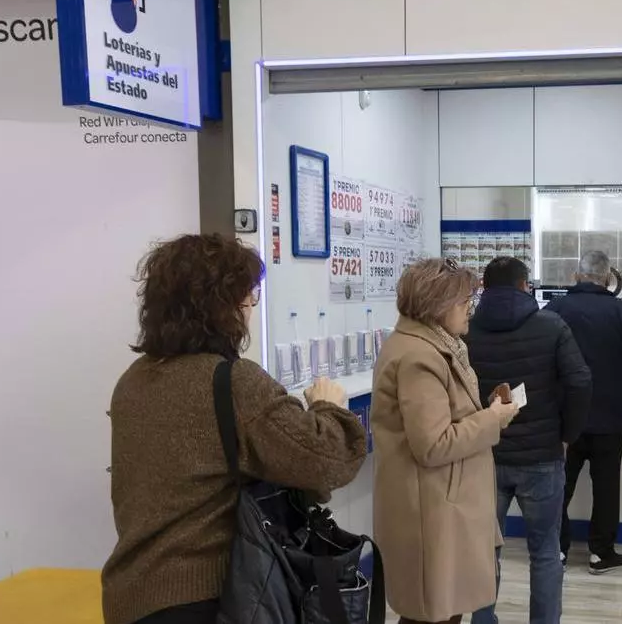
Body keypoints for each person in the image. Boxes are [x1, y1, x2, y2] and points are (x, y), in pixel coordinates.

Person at [103, 234, 368, 624]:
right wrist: (328, 407)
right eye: (247, 298)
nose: (250, 310)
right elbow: (328, 461)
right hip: (208, 600)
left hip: (131, 596)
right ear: (224, 307)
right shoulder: (233, 382)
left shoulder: (132, 381)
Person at [372, 258, 522, 624]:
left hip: (442, 504)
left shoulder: (434, 346)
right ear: (437, 305)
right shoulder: (419, 356)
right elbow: (434, 444)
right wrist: (492, 419)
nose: (470, 309)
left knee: (441, 612)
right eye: (464, 301)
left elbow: (444, 421)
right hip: (432, 511)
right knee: (433, 614)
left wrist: (487, 412)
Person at [466, 257, 592, 624]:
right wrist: (567, 436)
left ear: (484, 287)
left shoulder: (466, 330)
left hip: (484, 455)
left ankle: (482, 620)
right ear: (525, 286)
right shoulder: (551, 325)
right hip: (542, 457)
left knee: (484, 550)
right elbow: (580, 381)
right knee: (545, 552)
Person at [546, 251, 622, 574]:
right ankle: (601, 553)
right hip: (608, 416)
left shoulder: (553, 311)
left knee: (558, 486)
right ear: (608, 278)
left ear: (576, 275)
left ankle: (557, 550)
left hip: (564, 419)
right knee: (606, 487)